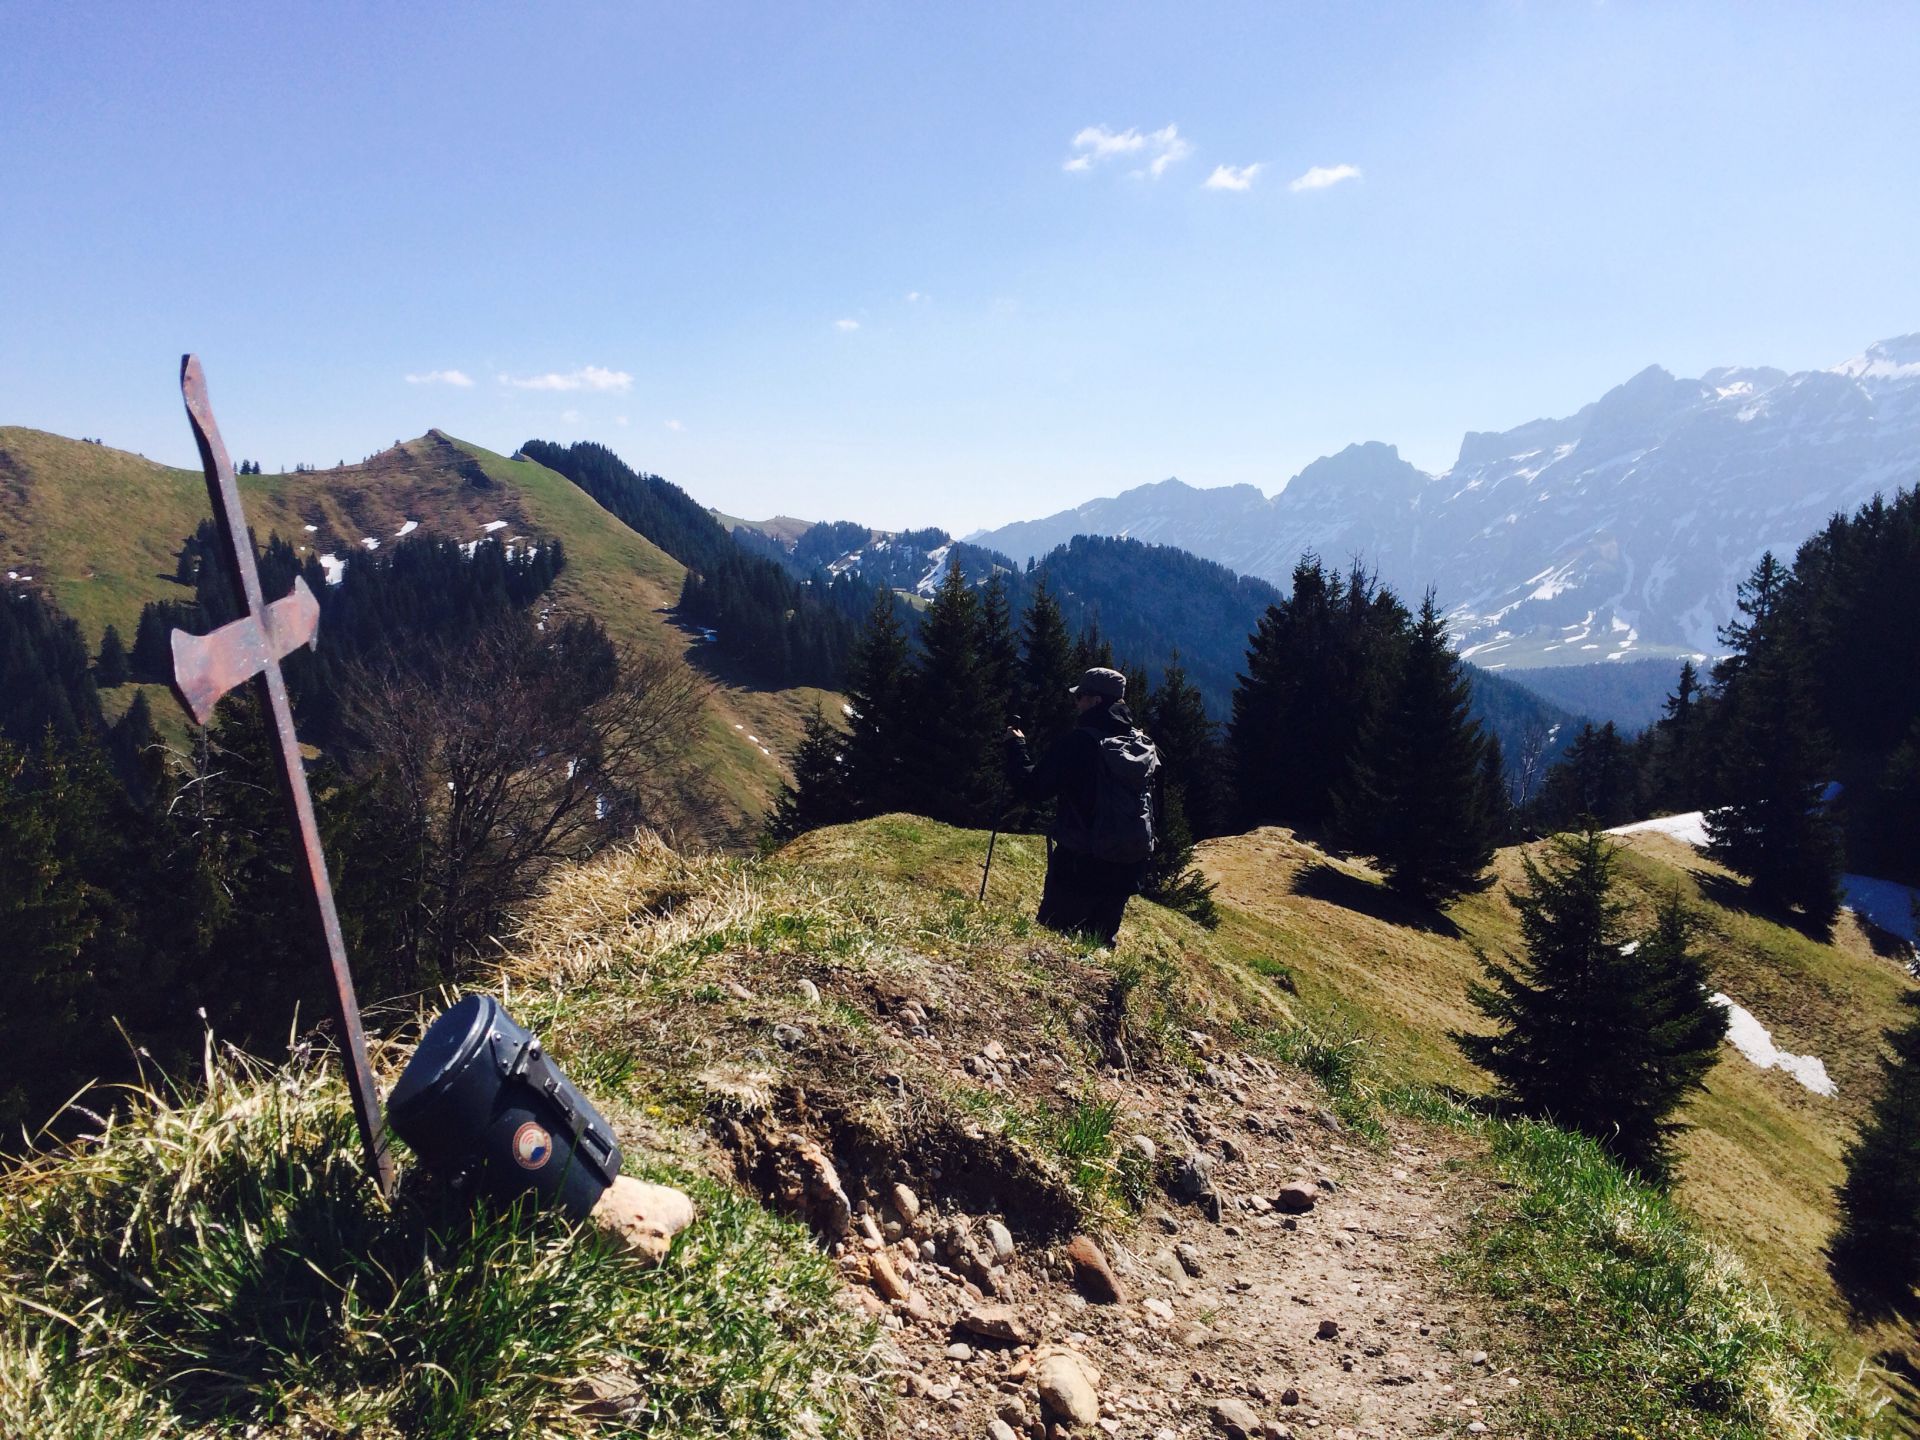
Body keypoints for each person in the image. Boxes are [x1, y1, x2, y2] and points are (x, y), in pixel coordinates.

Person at [1004, 666, 1160, 945]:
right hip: (1126, 865)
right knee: (1099, 943)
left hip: (1079, 862)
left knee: (1052, 937)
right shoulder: (1142, 745)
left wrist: (1015, 748)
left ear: (1095, 700)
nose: (1076, 702)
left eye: (1080, 696)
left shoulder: (1079, 743)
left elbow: (1033, 789)